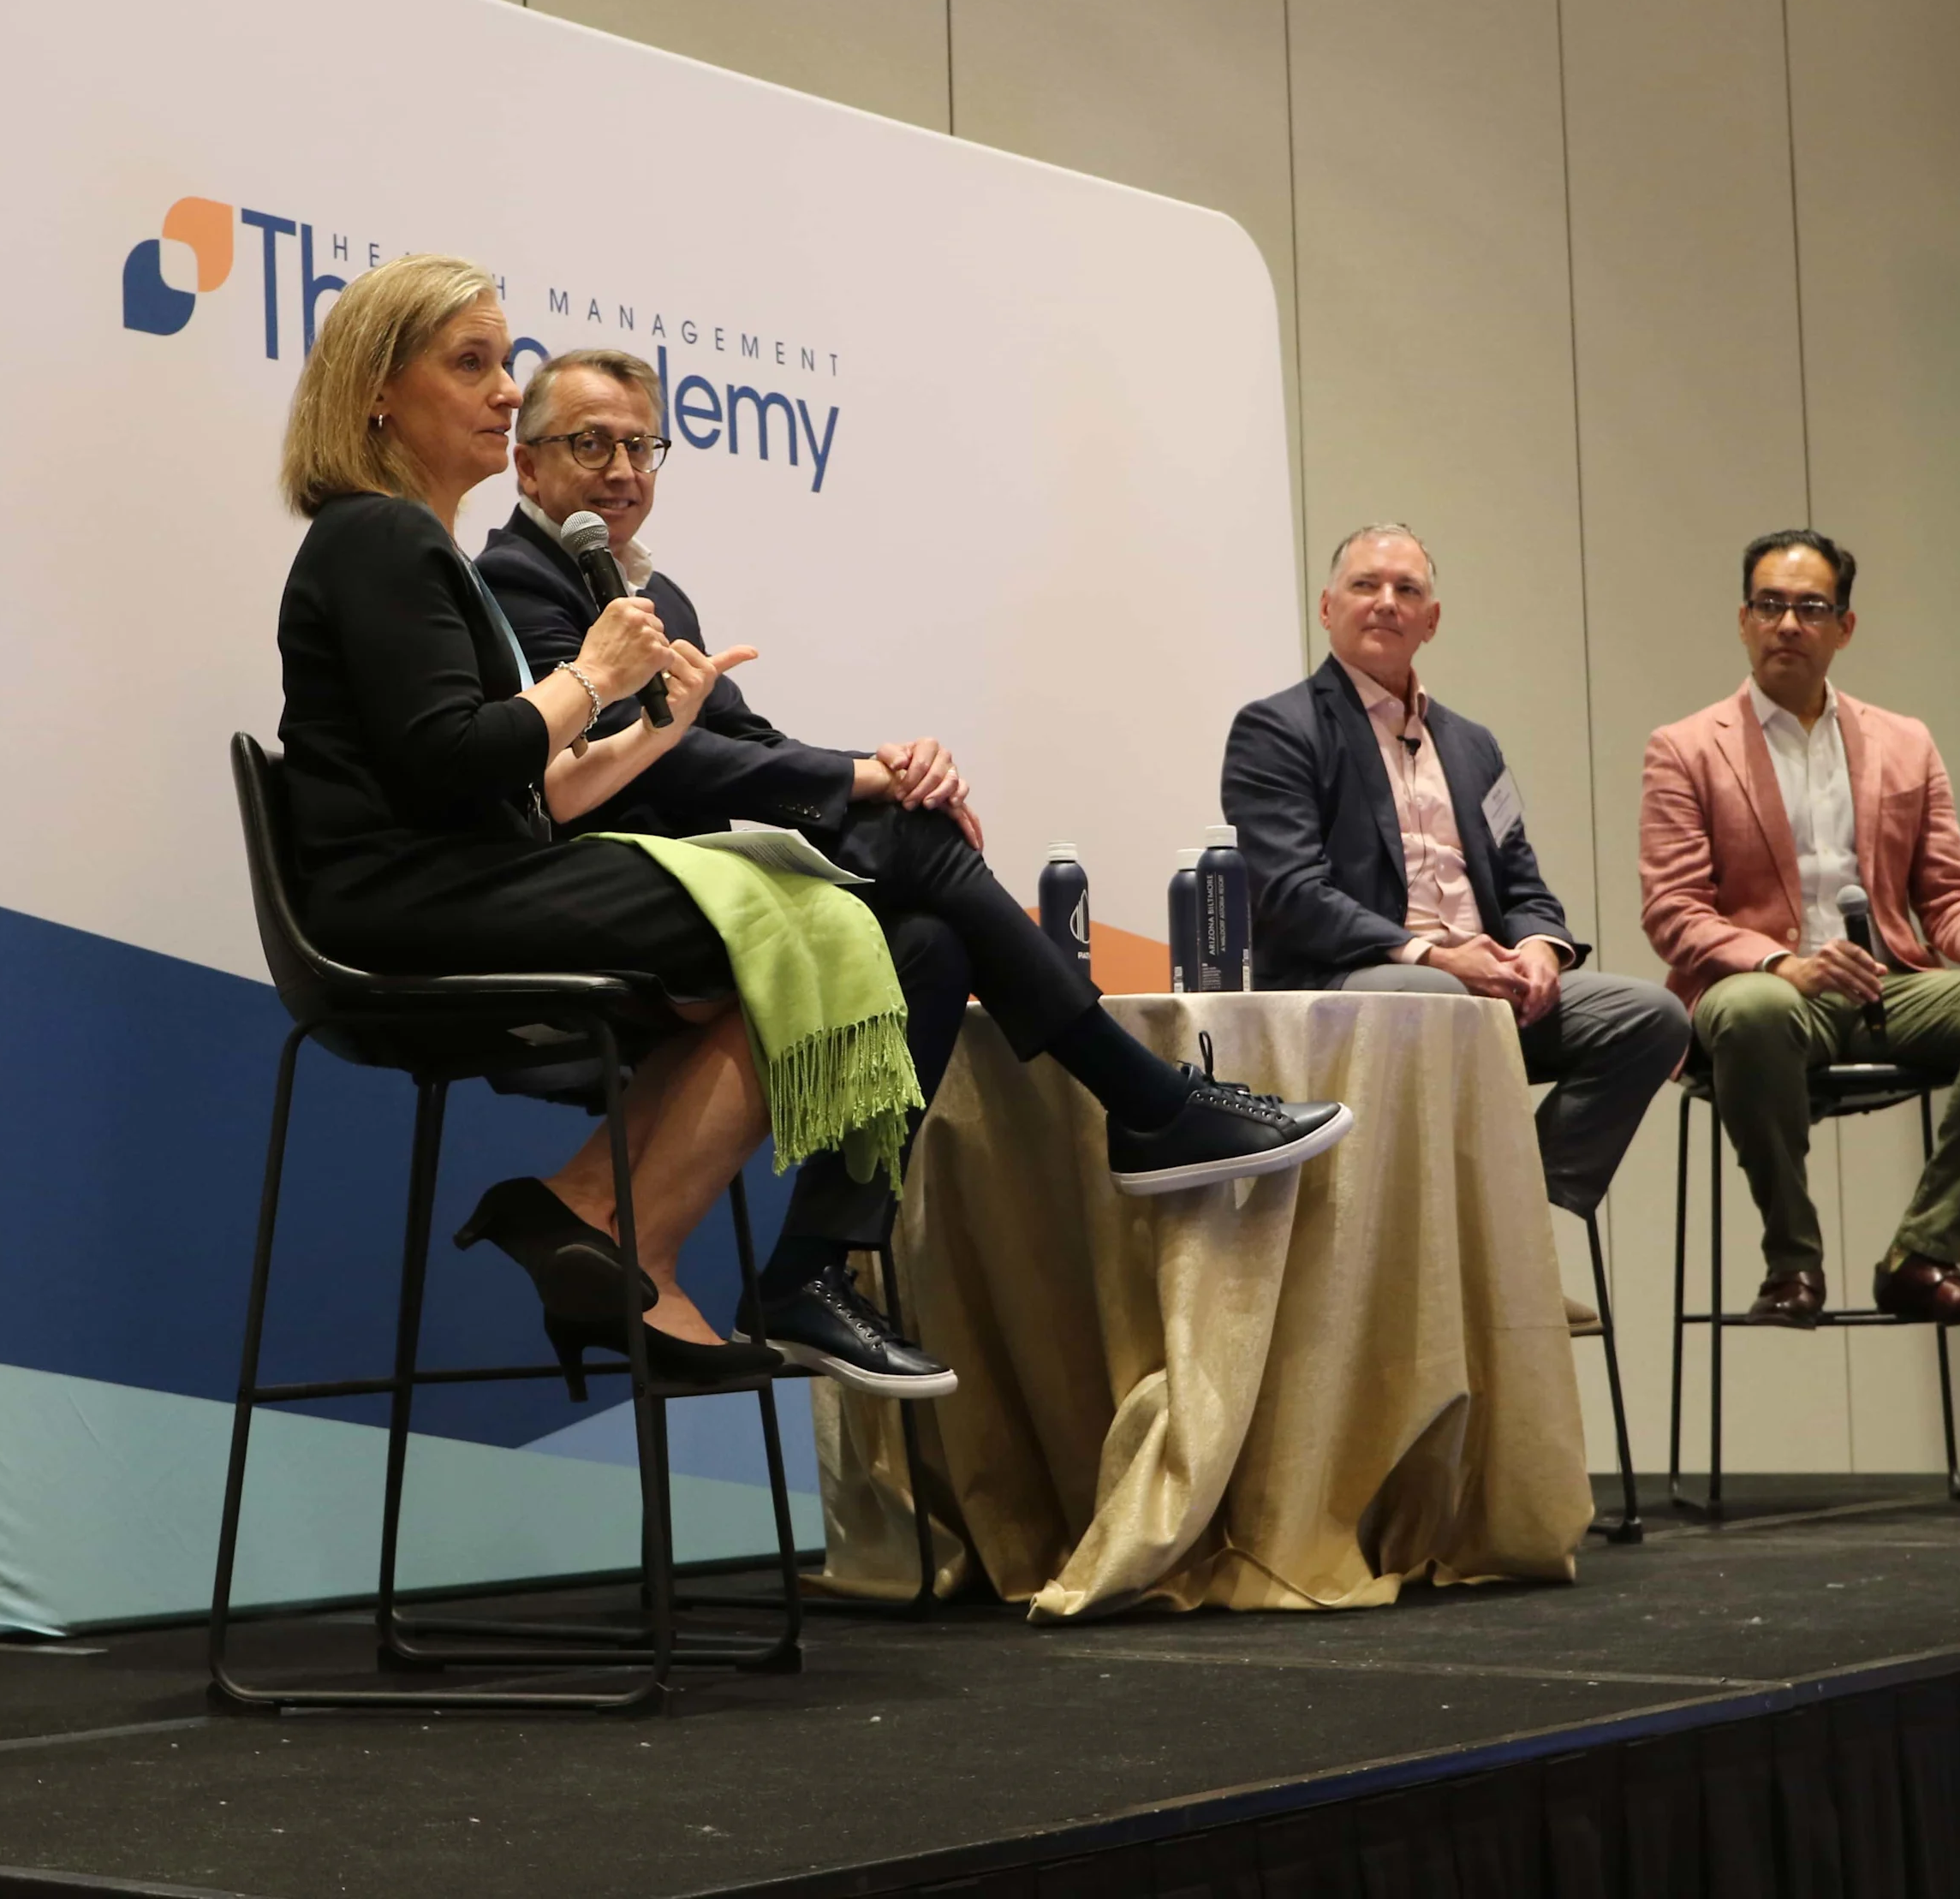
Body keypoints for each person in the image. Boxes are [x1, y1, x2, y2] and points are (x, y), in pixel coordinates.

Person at [478, 347, 1353, 1397]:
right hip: (610, 889)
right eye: (589, 445)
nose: (621, 468)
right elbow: (639, 754)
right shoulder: (514, 580)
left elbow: (745, 736)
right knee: (922, 843)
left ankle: (808, 1269)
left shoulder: (650, 587)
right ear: (528, 468)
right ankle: (1145, 1101)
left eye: (639, 445)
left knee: (929, 945)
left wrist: (887, 766)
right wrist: (862, 781)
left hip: (708, 871)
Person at [274, 255, 810, 1390]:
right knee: (789, 912)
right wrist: (595, 674)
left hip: (455, 876)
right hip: (403, 910)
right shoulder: (374, 536)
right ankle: (600, 1224)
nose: (506, 391)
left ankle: (599, 1223)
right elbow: (450, 760)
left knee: (787, 927)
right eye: (471, 364)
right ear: (377, 389)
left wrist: (654, 726)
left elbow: (520, 789)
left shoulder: (424, 552)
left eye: (506, 365)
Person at [1221, 524, 1687, 1314]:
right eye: (1366, 586)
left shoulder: (1472, 745)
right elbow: (1290, 894)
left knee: (1653, 1018)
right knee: (1443, 1007)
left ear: (1431, 621)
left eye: (1407, 590)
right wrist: (1433, 958)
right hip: (1358, 985)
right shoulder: (1279, 729)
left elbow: (1526, 883)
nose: (1386, 603)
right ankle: (1459, 1261)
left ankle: (1508, 1235)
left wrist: (1540, 950)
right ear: (1328, 607)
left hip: (1484, 981)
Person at [1638, 528, 1960, 1326]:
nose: (1788, 625)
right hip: (1768, 998)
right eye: (1770, 605)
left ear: (1845, 626)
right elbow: (1673, 912)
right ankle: (1792, 1263)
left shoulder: (1905, 743)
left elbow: (1948, 891)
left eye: (1810, 607)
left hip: (1889, 990)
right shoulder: (1688, 748)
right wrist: (1779, 965)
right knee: (1748, 1010)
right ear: (1743, 620)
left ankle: (1923, 1253)